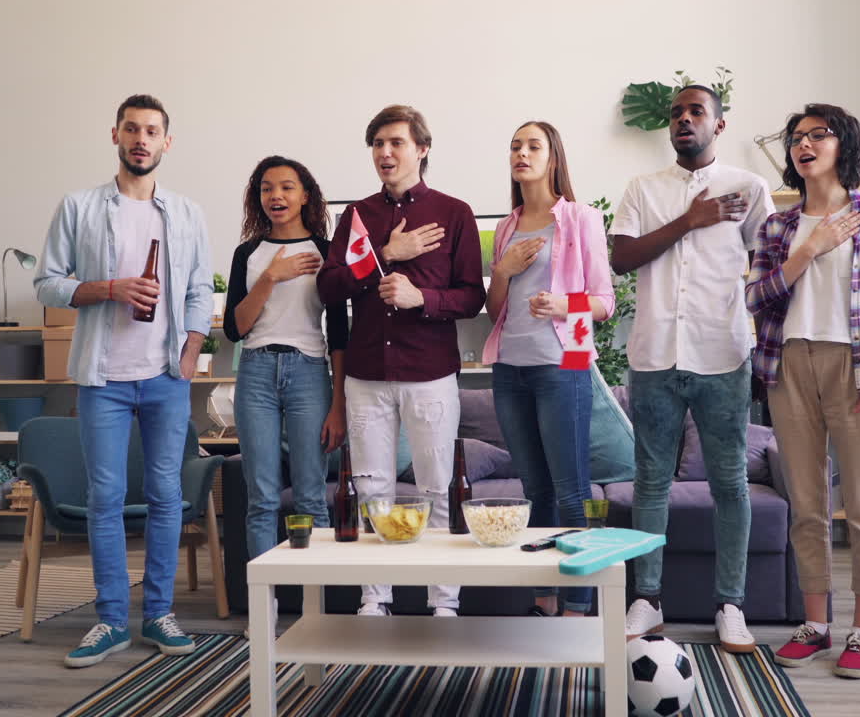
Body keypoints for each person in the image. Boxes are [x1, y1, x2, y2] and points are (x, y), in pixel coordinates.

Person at [35, 94, 212, 667]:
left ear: (167, 141)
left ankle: (158, 613)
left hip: (165, 376)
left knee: (167, 496)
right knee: (105, 498)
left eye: (152, 131)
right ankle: (111, 620)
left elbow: (197, 293)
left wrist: (190, 352)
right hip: (101, 376)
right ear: (115, 135)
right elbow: (48, 284)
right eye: (132, 129)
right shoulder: (79, 206)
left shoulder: (186, 214)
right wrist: (109, 288)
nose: (141, 139)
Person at [747, 103, 860, 679]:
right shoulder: (778, 227)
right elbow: (756, 298)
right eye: (797, 138)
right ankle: (815, 625)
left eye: (818, 135)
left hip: (859, 368)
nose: (804, 144)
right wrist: (808, 250)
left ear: (843, 144)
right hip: (788, 365)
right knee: (807, 505)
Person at [609, 85, 772, 652]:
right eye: (677, 113)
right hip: (654, 355)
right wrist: (690, 220)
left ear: (718, 125)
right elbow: (621, 258)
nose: (684, 119)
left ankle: (730, 605)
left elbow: (768, 267)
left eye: (696, 111)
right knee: (650, 482)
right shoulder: (643, 190)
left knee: (730, 483)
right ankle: (647, 602)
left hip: (723, 354)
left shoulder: (749, 189)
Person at [317, 104, 486, 617]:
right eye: (377, 144)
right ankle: (376, 598)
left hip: (429, 372)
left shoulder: (455, 213)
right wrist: (385, 255)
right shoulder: (357, 216)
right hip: (366, 376)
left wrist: (422, 300)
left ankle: (444, 603)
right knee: (373, 490)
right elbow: (328, 287)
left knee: (437, 488)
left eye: (396, 143)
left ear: (422, 149)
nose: (385, 153)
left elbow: (471, 297)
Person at [482, 121, 614, 617]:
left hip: (565, 362)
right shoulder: (507, 226)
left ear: (553, 157)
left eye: (533, 146)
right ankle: (544, 600)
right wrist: (504, 270)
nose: (521, 153)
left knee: (571, 488)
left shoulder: (580, 218)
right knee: (533, 489)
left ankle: (580, 603)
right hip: (509, 369)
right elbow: (496, 308)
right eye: (515, 145)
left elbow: (604, 302)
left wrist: (563, 304)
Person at [224, 156, 348, 568]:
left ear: (305, 195)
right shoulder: (249, 253)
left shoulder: (327, 252)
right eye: (266, 188)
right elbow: (235, 329)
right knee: (261, 498)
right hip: (256, 371)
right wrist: (271, 276)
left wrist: (338, 404)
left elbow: (339, 334)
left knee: (312, 495)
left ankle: (320, 604)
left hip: (310, 373)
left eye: (286, 187)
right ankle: (265, 608)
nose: (275, 196)